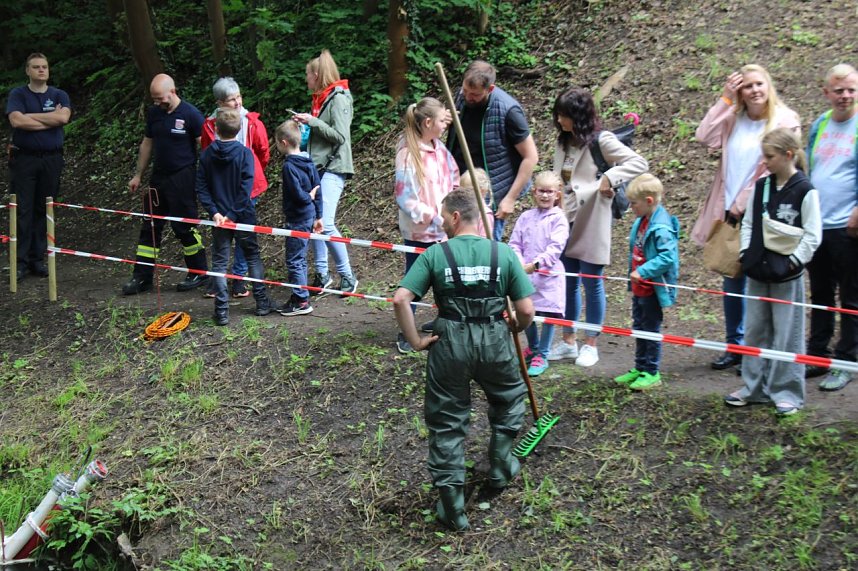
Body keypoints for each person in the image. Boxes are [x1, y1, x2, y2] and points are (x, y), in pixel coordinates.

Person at [393, 189, 535, 532]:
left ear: (456, 216)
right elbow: (527, 308)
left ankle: (453, 509)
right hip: (496, 341)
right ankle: (501, 463)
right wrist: (517, 324)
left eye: (443, 215)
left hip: (449, 343)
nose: (441, 221)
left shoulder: (434, 255)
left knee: (446, 420)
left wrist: (415, 341)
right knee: (509, 398)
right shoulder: (503, 253)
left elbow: (400, 300)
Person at [692, 65, 800, 372]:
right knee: (731, 277)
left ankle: (760, 350)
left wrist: (743, 202)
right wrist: (725, 100)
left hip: (764, 210)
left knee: (760, 279)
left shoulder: (785, 120)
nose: (754, 91)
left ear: (769, 85)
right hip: (729, 209)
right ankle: (735, 345)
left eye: (758, 84)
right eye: (746, 86)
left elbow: (775, 168)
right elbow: (703, 136)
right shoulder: (733, 119)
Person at [548, 87, 648, 367]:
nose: (559, 120)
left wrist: (609, 178)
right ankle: (568, 341)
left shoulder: (601, 140)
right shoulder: (563, 142)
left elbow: (638, 162)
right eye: (558, 115)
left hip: (592, 216)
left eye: (564, 115)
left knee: (592, 282)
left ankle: (591, 343)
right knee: (567, 281)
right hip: (563, 218)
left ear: (578, 116)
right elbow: (560, 178)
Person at [725, 128, 822, 414]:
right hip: (757, 272)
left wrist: (793, 262)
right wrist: (745, 253)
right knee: (755, 331)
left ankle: (788, 393)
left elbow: (812, 235)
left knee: (787, 335)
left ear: (788, 155)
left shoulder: (805, 190)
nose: (765, 162)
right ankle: (753, 387)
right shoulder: (762, 186)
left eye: (769, 157)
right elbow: (749, 224)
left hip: (786, 275)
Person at [122, 74, 208, 295]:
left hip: (183, 177)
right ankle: (142, 276)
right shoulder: (154, 114)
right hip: (158, 177)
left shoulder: (191, 114)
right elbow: (147, 143)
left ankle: (199, 272)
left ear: (173, 91)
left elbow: (205, 147)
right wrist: (138, 175)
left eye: (160, 98)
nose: (157, 102)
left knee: (184, 226)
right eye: (154, 98)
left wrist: (209, 178)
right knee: (149, 226)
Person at [195, 108, 278, 325]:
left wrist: (216, 213)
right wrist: (226, 214)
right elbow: (246, 189)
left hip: (221, 218)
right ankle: (261, 303)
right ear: (240, 128)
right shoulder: (244, 154)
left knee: (221, 262)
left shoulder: (207, 154)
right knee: (252, 256)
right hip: (240, 214)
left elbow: (201, 188)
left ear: (214, 128)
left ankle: (222, 311)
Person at [805, 63, 858, 391]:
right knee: (820, 293)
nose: (845, 96)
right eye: (838, 90)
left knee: (851, 297)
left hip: (848, 227)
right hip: (818, 225)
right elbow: (810, 166)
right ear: (827, 93)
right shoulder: (819, 124)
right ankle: (817, 355)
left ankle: (846, 360)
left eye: (851, 89)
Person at [446, 60, 538, 241]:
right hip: (462, 187)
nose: (467, 97)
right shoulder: (461, 97)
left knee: (486, 248)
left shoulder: (508, 111)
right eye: (465, 91)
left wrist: (510, 199)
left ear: (490, 89)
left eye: (474, 94)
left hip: (490, 193)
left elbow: (531, 157)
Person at [394, 97, 459, 353]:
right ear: (429, 122)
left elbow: (453, 177)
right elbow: (405, 198)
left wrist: (455, 209)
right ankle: (405, 333)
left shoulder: (440, 148)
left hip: (444, 230)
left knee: (445, 280)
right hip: (420, 232)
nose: (446, 125)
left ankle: (445, 321)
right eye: (443, 120)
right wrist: (434, 217)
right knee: (415, 284)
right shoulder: (408, 153)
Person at [294, 50, 358, 296]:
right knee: (315, 223)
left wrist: (313, 121)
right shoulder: (322, 99)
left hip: (333, 167)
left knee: (326, 223)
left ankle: (348, 276)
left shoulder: (339, 98)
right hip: (317, 168)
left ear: (317, 75)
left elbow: (340, 137)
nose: (306, 80)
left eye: (308, 75)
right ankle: (322, 275)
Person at [201, 77, 270, 299]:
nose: (238, 102)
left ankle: (239, 279)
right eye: (232, 99)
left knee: (244, 237)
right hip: (221, 190)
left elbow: (263, 152)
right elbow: (206, 156)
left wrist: (251, 172)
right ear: (220, 103)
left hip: (247, 188)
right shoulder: (209, 125)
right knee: (221, 237)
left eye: (239, 96)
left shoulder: (253, 122)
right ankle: (218, 281)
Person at [5, 53, 71, 281]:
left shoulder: (59, 94)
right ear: (28, 70)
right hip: (25, 159)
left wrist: (33, 118)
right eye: (36, 67)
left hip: (52, 159)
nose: (41, 70)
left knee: (45, 209)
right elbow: (17, 121)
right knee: (23, 209)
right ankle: (20, 262)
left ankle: (37, 259)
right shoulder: (18, 94)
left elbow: (63, 119)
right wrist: (48, 117)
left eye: (44, 66)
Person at [614, 174, 680, 391]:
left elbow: (667, 257)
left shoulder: (660, 228)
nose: (630, 207)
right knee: (639, 326)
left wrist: (643, 270)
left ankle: (651, 371)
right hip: (639, 287)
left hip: (652, 288)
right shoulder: (643, 220)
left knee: (650, 329)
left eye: (633, 203)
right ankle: (640, 366)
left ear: (649, 201)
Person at [508, 171, 568, 377]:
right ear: (534, 192)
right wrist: (519, 263)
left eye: (549, 192)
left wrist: (536, 264)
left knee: (548, 315)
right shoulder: (525, 217)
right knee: (528, 313)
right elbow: (515, 243)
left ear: (557, 194)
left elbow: (556, 247)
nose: (545, 195)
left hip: (548, 277)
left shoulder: (559, 219)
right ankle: (532, 347)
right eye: (541, 191)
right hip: (525, 277)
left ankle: (543, 352)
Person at [274, 119, 323, 316]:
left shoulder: (290, 167)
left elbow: (300, 194)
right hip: (308, 216)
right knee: (299, 258)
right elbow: (318, 189)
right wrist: (319, 215)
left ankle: (301, 300)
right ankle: (298, 294)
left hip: (298, 218)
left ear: (284, 143)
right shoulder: (308, 161)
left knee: (294, 259)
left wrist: (308, 198)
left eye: (276, 142)